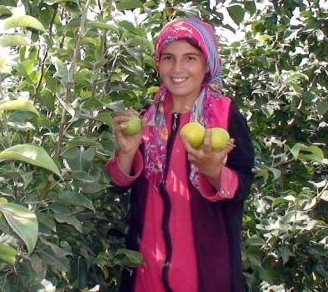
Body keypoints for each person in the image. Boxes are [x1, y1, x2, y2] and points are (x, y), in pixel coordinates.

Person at [106, 17, 256, 292]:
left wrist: (213, 171)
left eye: (190, 58)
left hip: (206, 275)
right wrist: (127, 154)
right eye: (168, 58)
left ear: (206, 63)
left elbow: (243, 182)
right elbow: (117, 185)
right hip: (146, 275)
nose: (177, 69)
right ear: (158, 63)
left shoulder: (224, 115)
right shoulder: (147, 118)